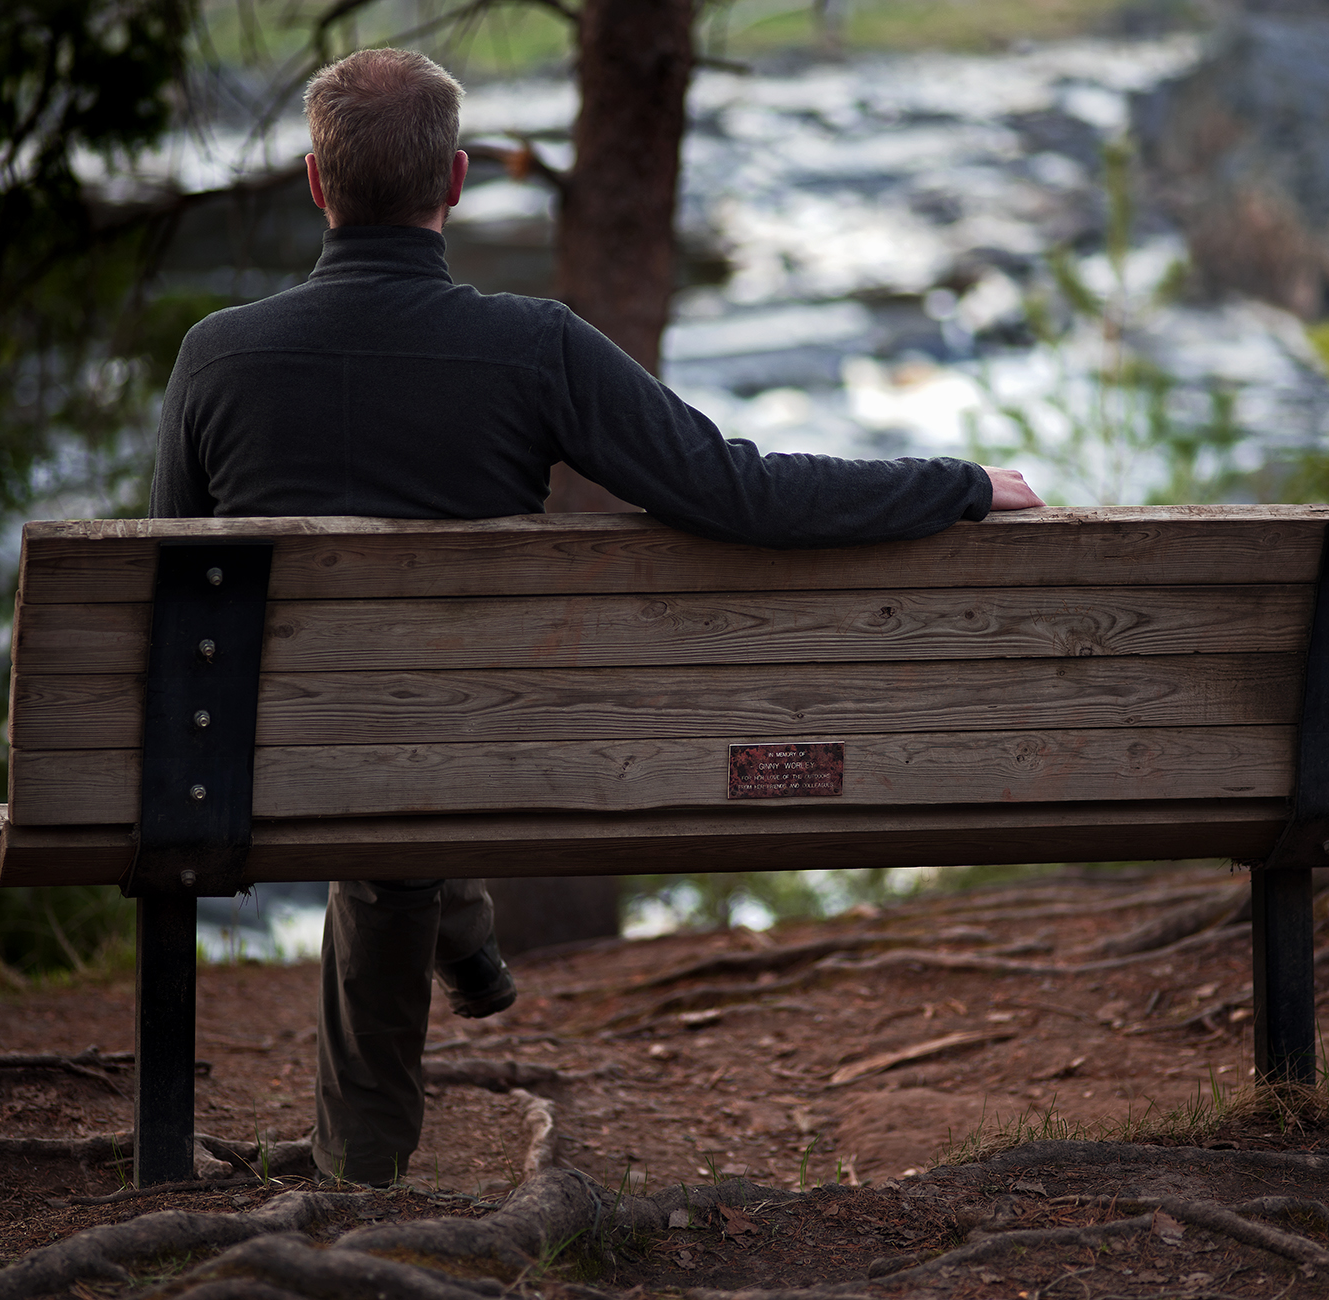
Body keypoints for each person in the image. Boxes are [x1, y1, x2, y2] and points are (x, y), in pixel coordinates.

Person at [149, 46, 1044, 1185]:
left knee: (362, 753)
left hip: (260, 766)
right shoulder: (536, 348)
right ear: (458, 183)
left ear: (317, 185)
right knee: (401, 769)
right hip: (493, 755)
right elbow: (739, 491)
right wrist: (955, 483)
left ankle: (368, 1133)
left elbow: (171, 603)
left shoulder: (215, 359)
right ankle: (391, 1083)